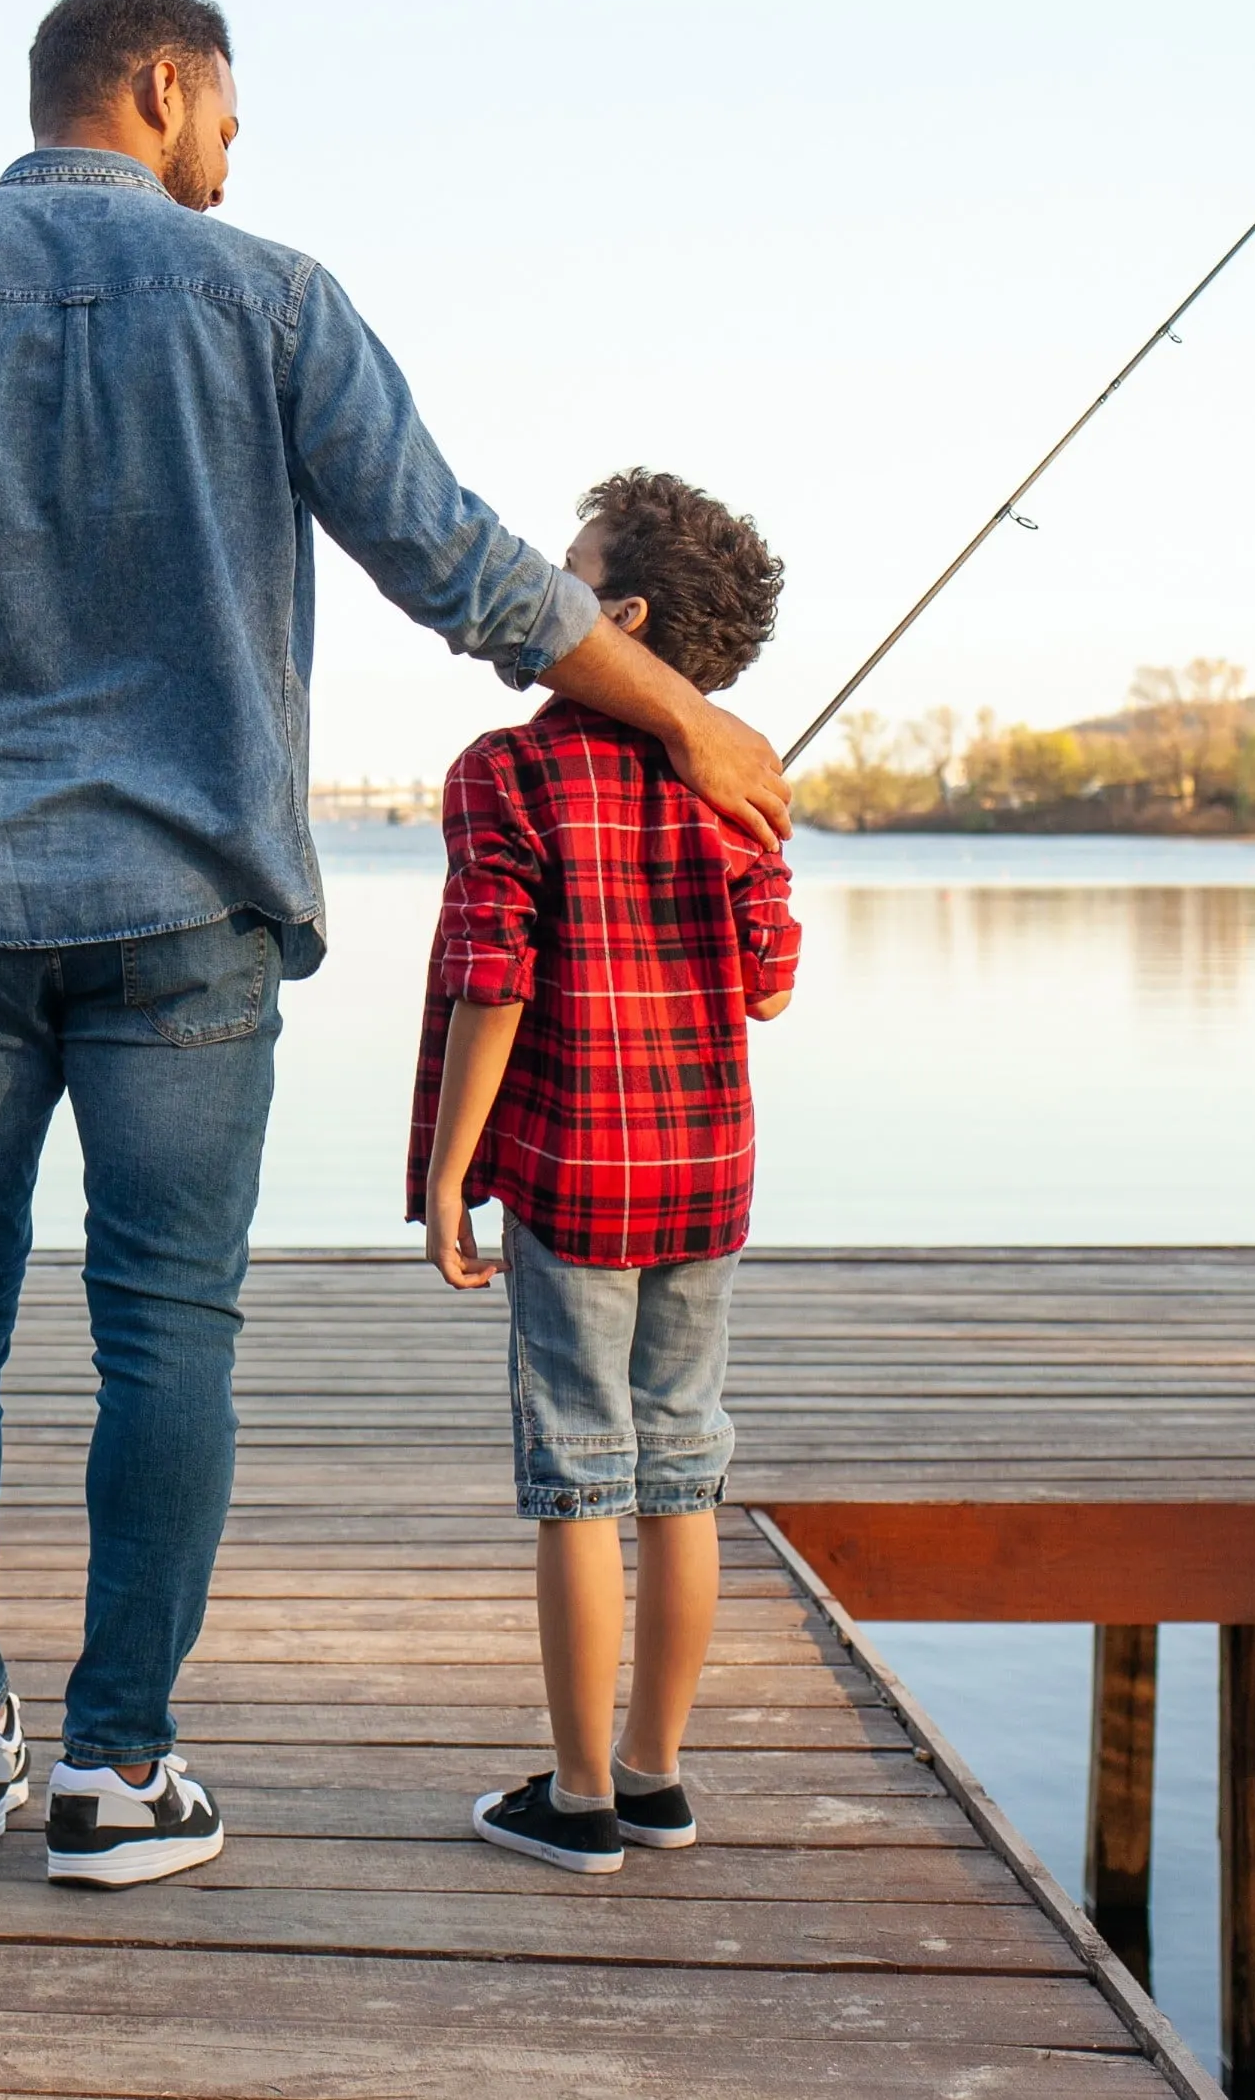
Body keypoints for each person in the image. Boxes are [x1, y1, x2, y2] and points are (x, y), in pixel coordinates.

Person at [0, 0, 790, 1887]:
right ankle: (113, 1771)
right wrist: (685, 715)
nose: (232, 159)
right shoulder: (271, 302)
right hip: (187, 906)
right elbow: (460, 560)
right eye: (229, 122)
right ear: (161, 82)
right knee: (164, 1333)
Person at [408, 469, 796, 1875]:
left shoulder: (505, 774)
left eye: (567, 577)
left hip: (575, 1175)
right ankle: (655, 1776)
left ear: (617, 616)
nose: (545, 595)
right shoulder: (736, 787)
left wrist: (451, 1170)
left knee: (579, 1474)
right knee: (680, 1469)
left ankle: (575, 1801)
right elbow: (766, 987)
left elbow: (489, 985)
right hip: (704, 1174)